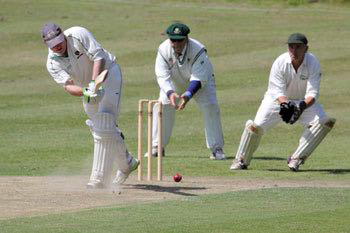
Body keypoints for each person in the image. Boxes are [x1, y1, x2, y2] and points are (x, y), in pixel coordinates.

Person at [42, 23, 139, 189]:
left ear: (64, 36)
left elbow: (99, 58)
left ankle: (98, 178)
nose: (58, 47)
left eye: (60, 43)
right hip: (87, 88)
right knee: (100, 126)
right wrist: (87, 92)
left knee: (105, 121)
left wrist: (95, 83)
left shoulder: (78, 34)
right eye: (53, 46)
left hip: (107, 75)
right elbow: (68, 86)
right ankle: (127, 163)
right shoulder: (52, 62)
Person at [230, 33, 336, 171]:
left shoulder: (313, 62)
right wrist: (286, 105)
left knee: (324, 122)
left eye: (298, 47)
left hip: (303, 102)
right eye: (291, 47)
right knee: (255, 128)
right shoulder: (280, 62)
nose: (294, 51)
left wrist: (301, 106)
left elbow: (313, 93)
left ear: (306, 48)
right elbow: (277, 91)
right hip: (276, 101)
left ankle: (296, 158)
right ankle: (241, 160)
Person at [150, 22, 226, 160]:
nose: (176, 43)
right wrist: (170, 93)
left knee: (210, 107)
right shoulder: (163, 50)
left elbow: (198, 78)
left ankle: (216, 149)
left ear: (186, 38)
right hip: (174, 82)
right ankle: (157, 146)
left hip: (201, 83)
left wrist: (188, 94)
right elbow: (161, 76)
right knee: (161, 106)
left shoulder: (198, 50)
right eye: (173, 40)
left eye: (180, 40)